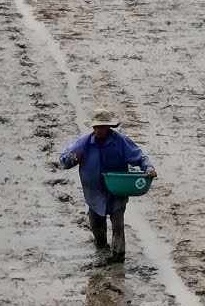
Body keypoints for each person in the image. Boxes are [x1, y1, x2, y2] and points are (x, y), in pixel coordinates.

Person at [59, 110, 156, 264]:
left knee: (118, 226)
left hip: (117, 191)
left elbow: (139, 157)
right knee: (97, 228)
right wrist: (73, 158)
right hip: (94, 193)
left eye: (102, 127)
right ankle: (102, 251)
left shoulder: (120, 142)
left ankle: (118, 260)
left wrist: (148, 168)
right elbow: (64, 160)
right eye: (96, 127)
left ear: (109, 127)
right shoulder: (84, 144)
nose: (99, 130)